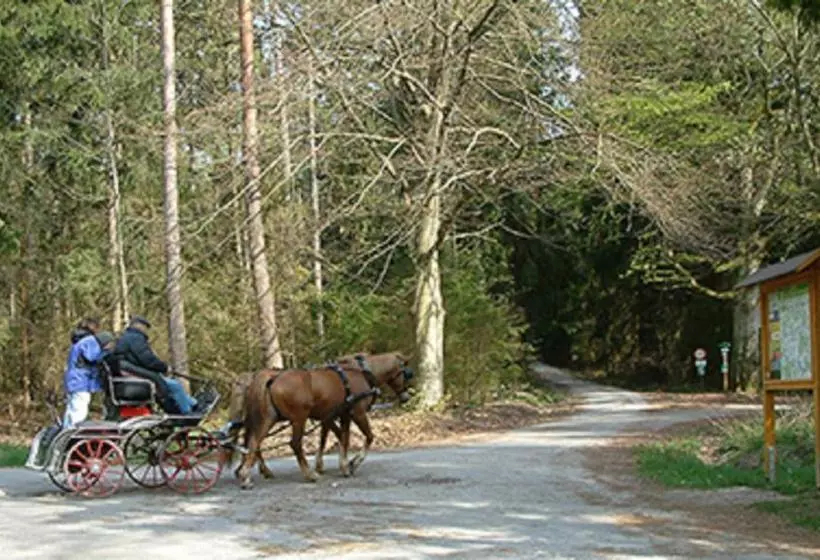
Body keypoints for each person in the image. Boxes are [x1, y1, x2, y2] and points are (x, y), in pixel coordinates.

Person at [113, 315, 201, 414]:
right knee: (175, 386)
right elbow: (147, 359)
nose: (146, 330)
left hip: (134, 373)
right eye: (145, 327)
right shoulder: (135, 338)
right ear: (139, 326)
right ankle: (187, 413)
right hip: (139, 377)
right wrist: (164, 367)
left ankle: (194, 404)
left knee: (173, 385)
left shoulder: (127, 338)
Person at [61, 318, 114, 429]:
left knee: (71, 408)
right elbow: (92, 357)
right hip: (81, 382)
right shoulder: (88, 341)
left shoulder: (77, 341)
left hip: (73, 380)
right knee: (79, 409)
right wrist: (106, 351)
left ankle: (65, 433)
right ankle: (73, 434)